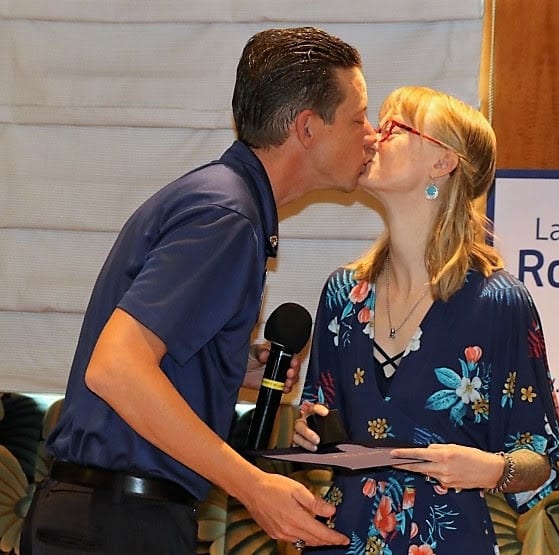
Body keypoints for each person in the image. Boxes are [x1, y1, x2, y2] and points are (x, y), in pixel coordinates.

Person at [21, 27, 377, 554]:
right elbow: (115, 368)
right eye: (358, 119)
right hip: (116, 525)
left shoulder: (222, 199)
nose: (372, 134)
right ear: (307, 127)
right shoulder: (226, 217)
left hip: (108, 518)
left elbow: (145, 353)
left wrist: (225, 363)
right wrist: (253, 485)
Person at [293, 86, 559, 553]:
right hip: (343, 536)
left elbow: (540, 455)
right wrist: (308, 430)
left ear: (443, 162)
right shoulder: (342, 295)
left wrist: (492, 469)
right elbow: (319, 417)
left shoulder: (499, 303)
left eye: (395, 127)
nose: (373, 135)